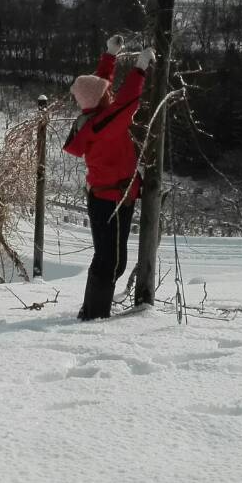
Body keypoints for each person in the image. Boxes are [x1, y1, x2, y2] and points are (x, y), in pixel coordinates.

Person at [62, 33, 153, 320]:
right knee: (111, 261)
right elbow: (128, 101)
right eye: (106, 93)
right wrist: (140, 67)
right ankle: (94, 316)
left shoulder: (93, 118)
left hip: (112, 196)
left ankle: (91, 311)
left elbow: (100, 86)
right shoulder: (105, 123)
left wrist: (109, 56)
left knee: (110, 259)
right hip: (111, 199)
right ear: (102, 100)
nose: (109, 93)